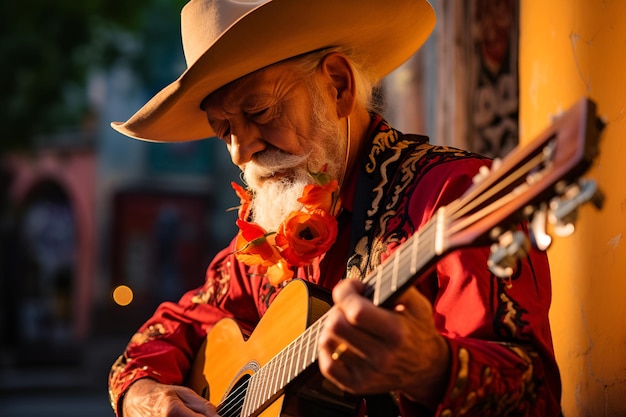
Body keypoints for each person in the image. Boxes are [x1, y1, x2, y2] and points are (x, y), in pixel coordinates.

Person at [108, 0, 562, 416]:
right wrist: (143, 395)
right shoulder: (269, 235)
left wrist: (432, 368)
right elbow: (173, 328)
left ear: (338, 85)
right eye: (224, 128)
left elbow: (534, 393)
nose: (240, 152)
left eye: (261, 111)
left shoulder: (454, 194)